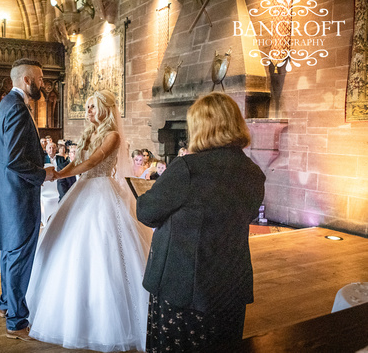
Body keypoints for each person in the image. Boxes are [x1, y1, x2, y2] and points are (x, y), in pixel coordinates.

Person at [136, 92, 266, 352]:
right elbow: (247, 214)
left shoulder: (187, 169)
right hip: (229, 285)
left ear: (201, 128)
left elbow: (146, 211)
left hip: (183, 287)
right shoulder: (253, 173)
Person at [26, 90, 152, 351]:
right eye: (87, 107)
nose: (88, 112)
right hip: (82, 190)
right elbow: (76, 162)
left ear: (105, 109)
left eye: (93, 107)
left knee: (107, 249)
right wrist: (59, 172)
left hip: (102, 191)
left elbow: (94, 161)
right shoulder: (89, 134)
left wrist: (59, 176)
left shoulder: (112, 136)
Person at [0, 58, 55, 341]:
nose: (43, 85)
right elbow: (14, 159)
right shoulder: (16, 108)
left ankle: (6, 304)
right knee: (18, 257)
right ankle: (16, 320)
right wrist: (43, 174)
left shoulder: (7, 104)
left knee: (10, 254)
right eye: (39, 79)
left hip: (9, 192)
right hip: (18, 196)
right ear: (26, 80)